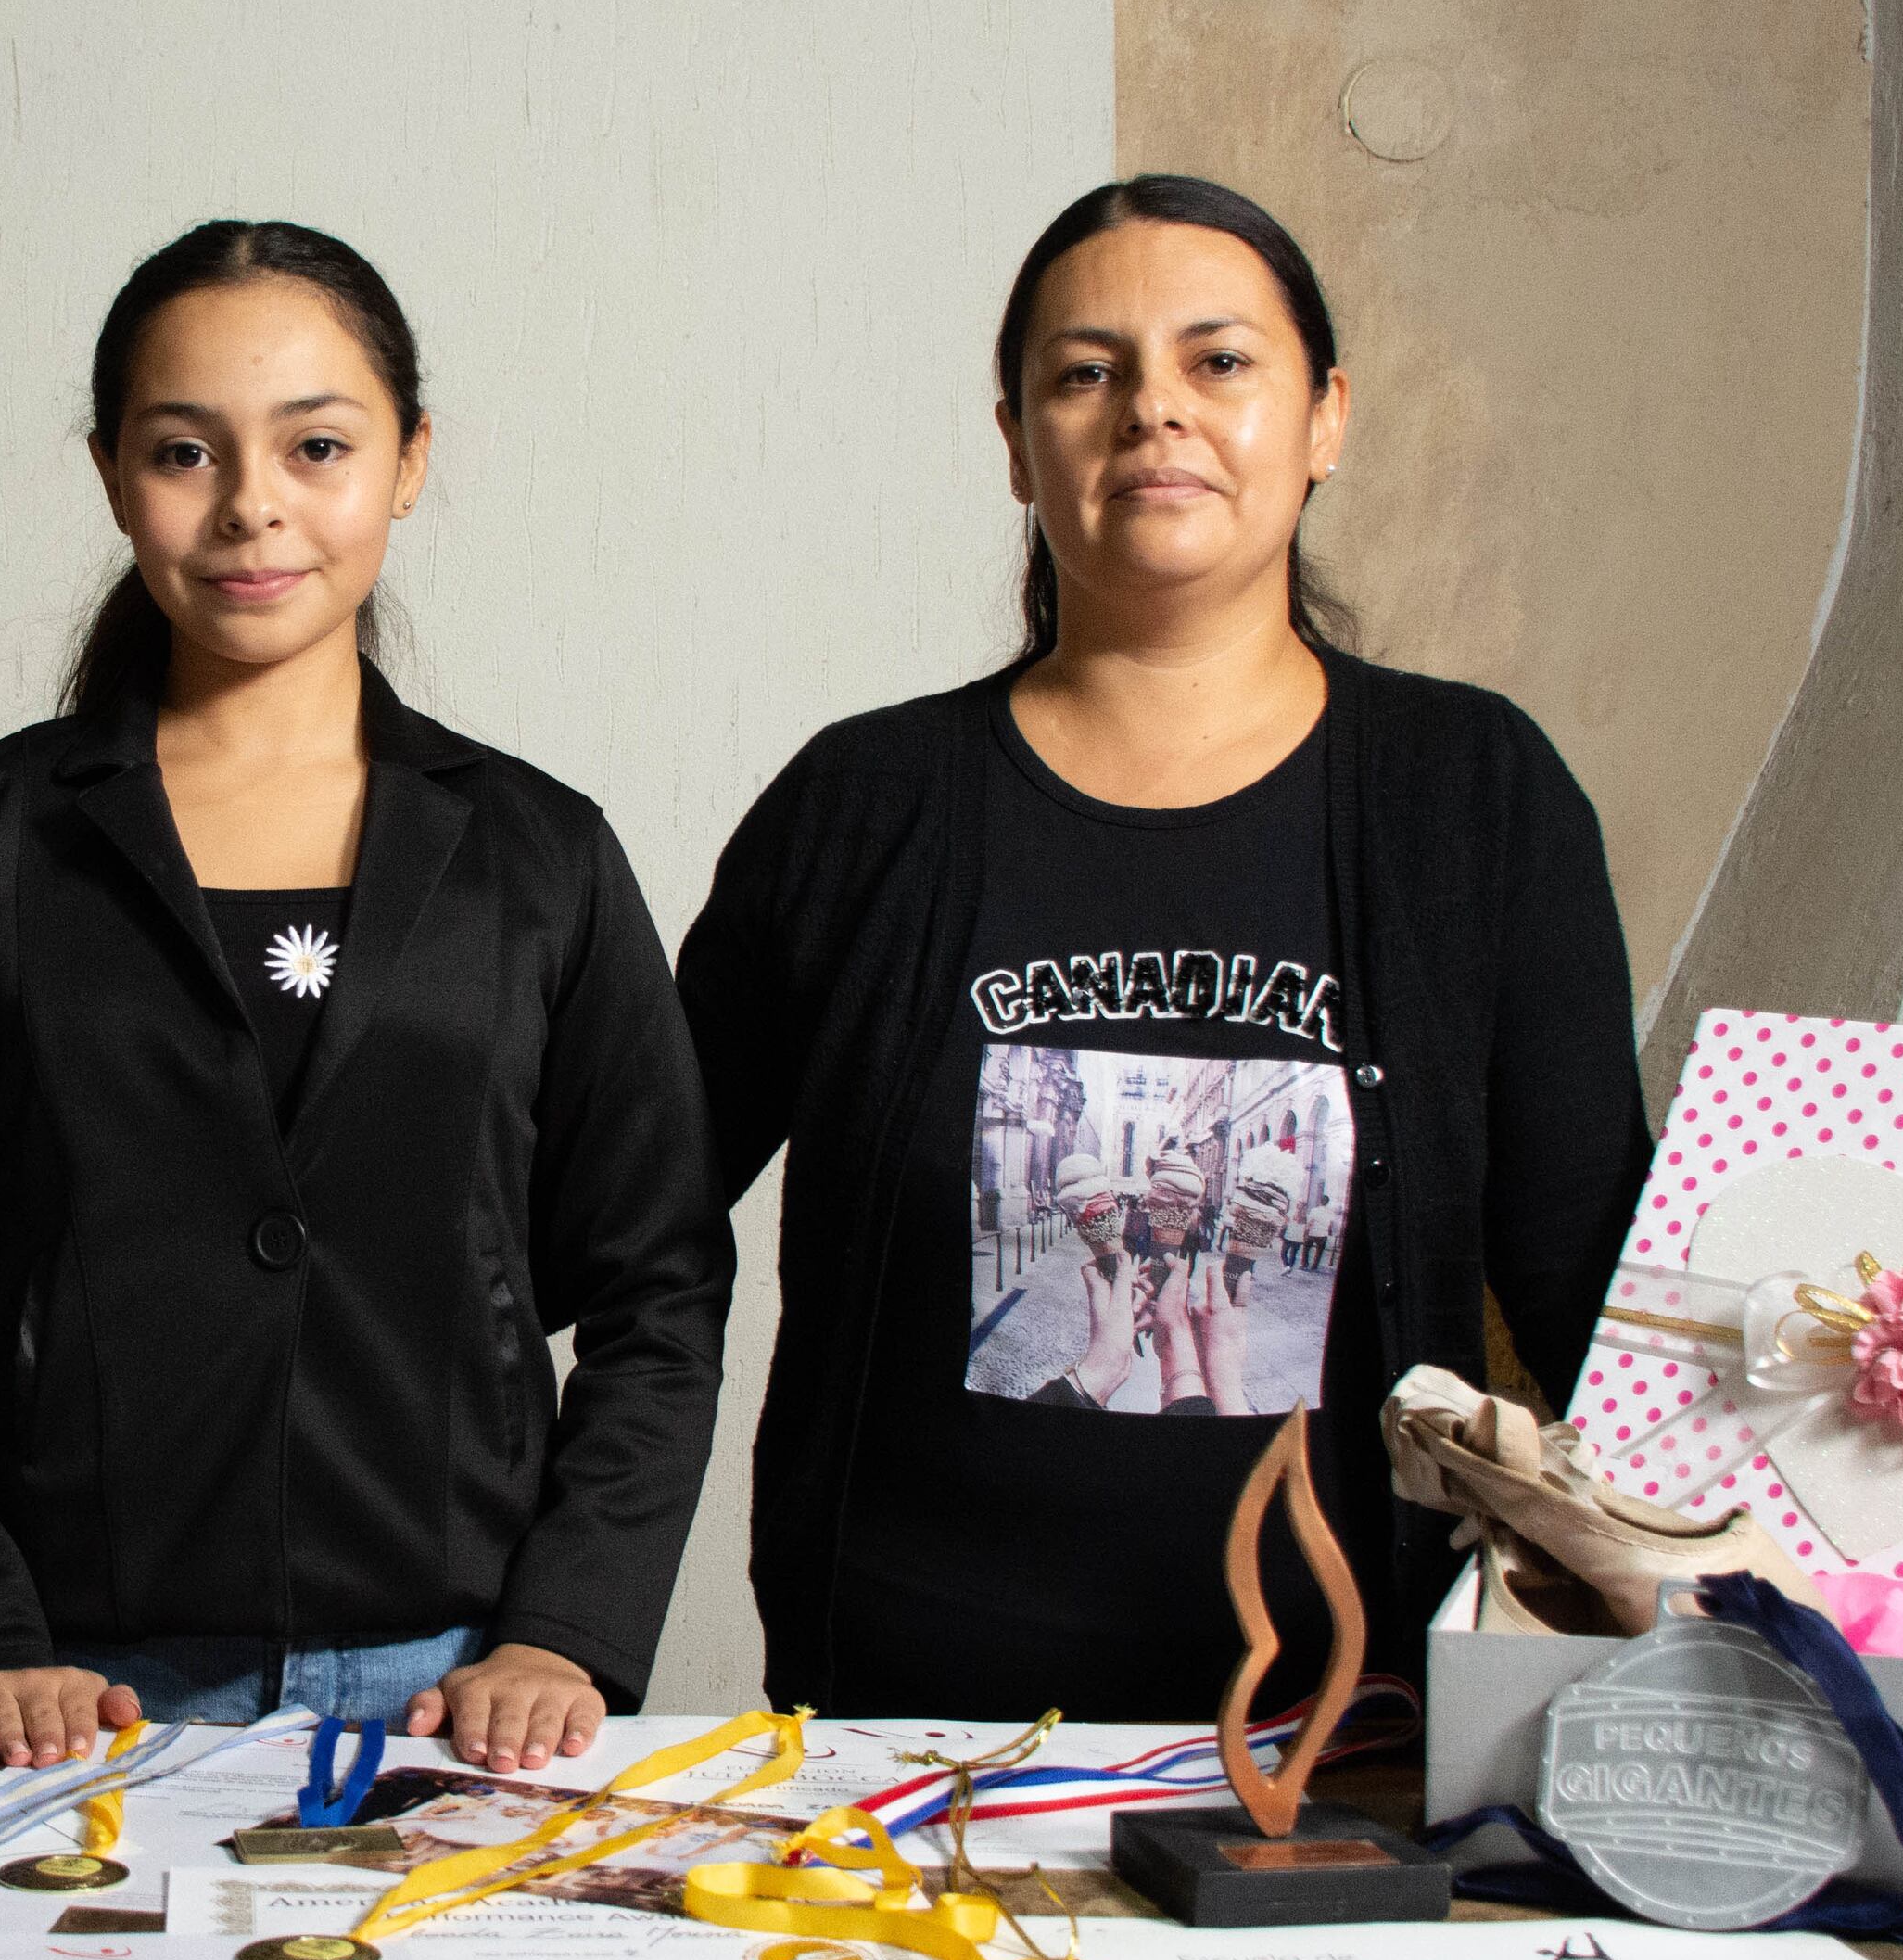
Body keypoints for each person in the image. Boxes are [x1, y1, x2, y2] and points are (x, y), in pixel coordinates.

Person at [680, 175, 1647, 1723]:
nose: (1153, 412)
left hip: (1359, 1742)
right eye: (1088, 371)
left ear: (1325, 417)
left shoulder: (1472, 795)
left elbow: (1592, 1272)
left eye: (1220, 361)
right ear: (1016, 438)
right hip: (910, 1735)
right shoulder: (865, 805)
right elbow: (621, 1212)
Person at [0, 222, 730, 1775]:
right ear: (110, 473)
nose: (252, 506)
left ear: (409, 460)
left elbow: (660, 1285)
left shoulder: (536, 856)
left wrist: (567, 1626)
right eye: (184, 450)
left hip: (453, 1692)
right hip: (63, 1697)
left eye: (317, 444)